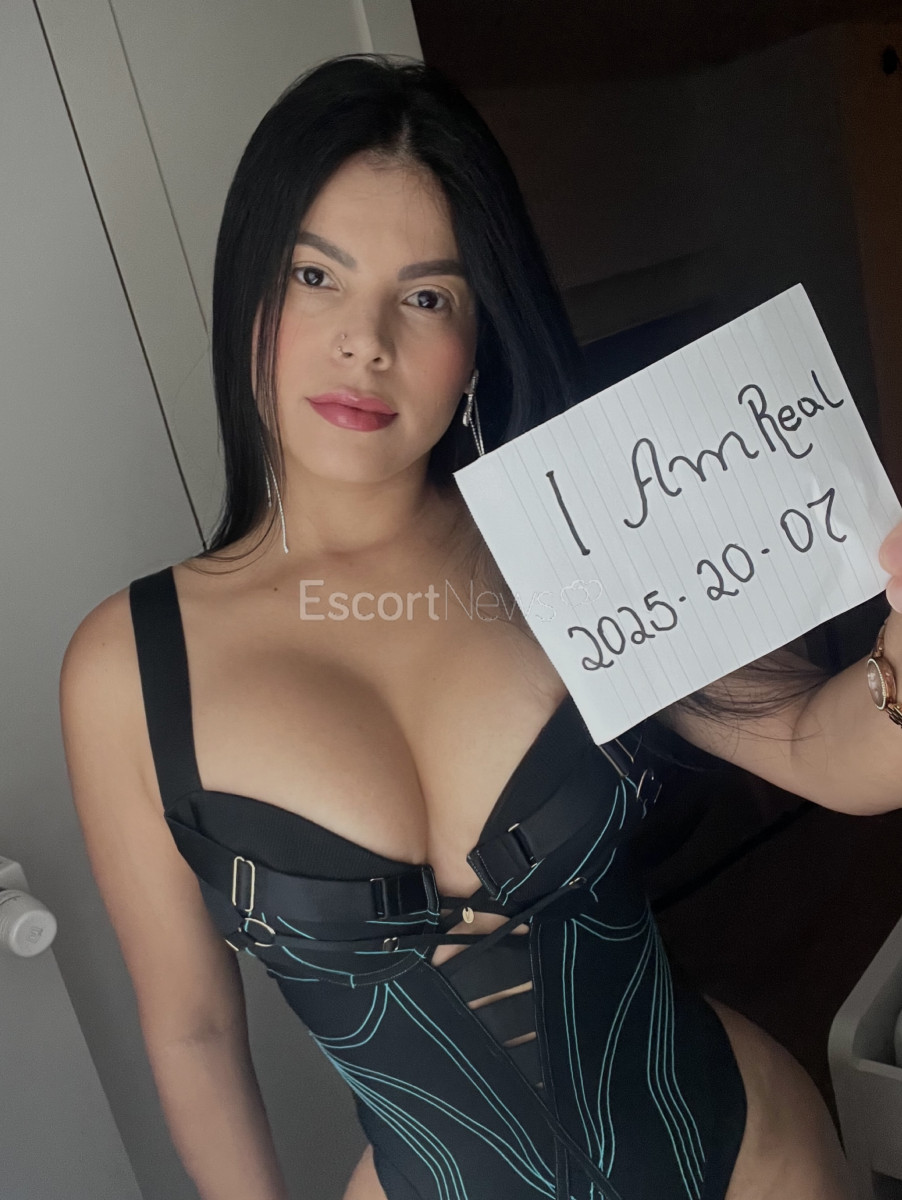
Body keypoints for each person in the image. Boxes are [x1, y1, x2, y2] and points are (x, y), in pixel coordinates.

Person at [58, 52, 902, 1200]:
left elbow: (822, 750)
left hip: (752, 1163)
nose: (365, 341)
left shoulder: (577, 532)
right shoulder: (128, 671)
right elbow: (194, 1033)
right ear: (248, 291)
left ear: (474, 339)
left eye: (426, 296)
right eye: (315, 275)